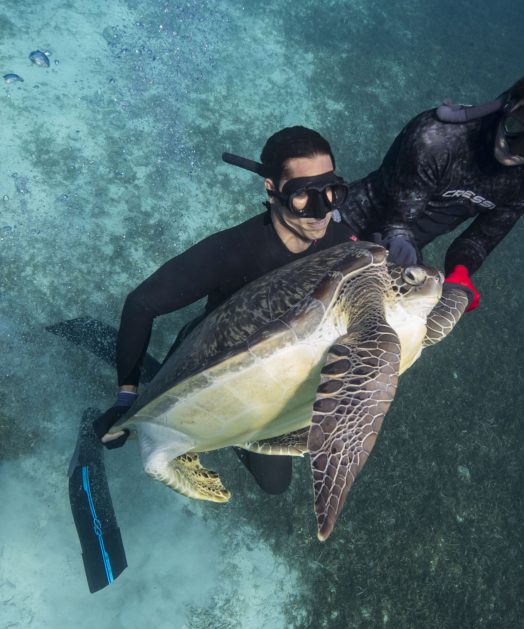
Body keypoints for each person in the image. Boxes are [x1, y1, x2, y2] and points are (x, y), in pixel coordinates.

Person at [95, 126, 356, 495]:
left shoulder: (343, 244)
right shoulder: (234, 250)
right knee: (167, 435)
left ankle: (233, 435)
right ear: (271, 189)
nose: (320, 213)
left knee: (274, 483)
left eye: (331, 193)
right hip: (207, 357)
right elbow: (142, 303)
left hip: (280, 371)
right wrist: (126, 394)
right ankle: (161, 392)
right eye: (302, 197)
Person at [341, 61, 524, 311]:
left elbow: (481, 238)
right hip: (349, 222)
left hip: (403, 256)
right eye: (516, 127)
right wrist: (399, 250)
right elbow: (398, 222)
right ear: (509, 104)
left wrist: (461, 271)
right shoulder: (438, 138)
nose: (515, 148)